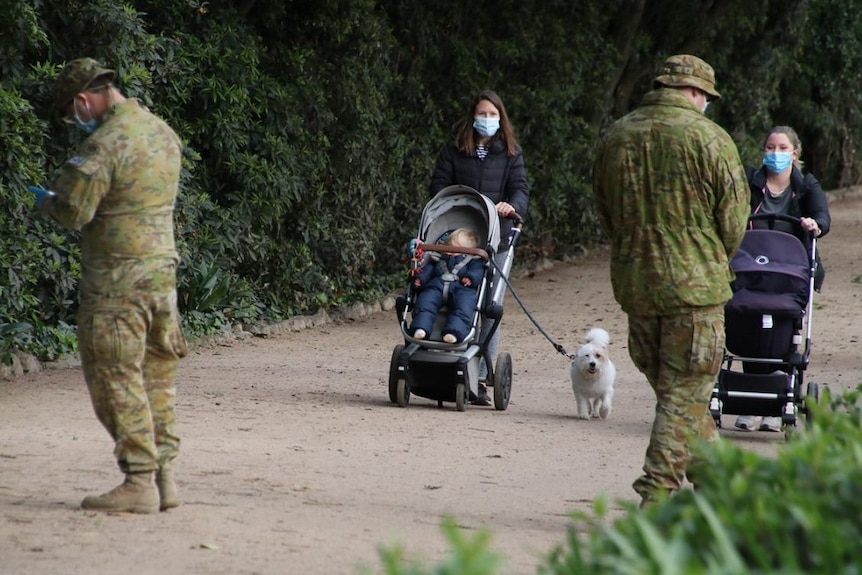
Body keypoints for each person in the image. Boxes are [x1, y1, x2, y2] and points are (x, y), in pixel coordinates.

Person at [28, 58, 188, 513]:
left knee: (115, 377)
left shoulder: (102, 146)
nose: (75, 120)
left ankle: (137, 481)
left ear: (83, 100)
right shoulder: (162, 133)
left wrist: (47, 203)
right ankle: (164, 479)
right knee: (157, 377)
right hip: (162, 279)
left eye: (71, 112)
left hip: (118, 283)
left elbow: (74, 212)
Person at [592, 54, 750, 507]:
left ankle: (720, 493)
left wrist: (637, 253)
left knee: (680, 397)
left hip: (637, 287)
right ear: (698, 94)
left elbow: (606, 214)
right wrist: (708, 260)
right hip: (695, 292)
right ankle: (655, 500)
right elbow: (734, 220)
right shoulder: (711, 139)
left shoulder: (615, 137)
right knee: (682, 398)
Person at [429, 89, 529, 405]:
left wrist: (510, 206)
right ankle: (443, 358)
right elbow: (438, 186)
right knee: (452, 293)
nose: (487, 119)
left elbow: (520, 189)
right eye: (482, 114)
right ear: (473, 117)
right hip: (460, 237)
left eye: (492, 115)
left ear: (501, 118)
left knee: (489, 306)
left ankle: (483, 374)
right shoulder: (456, 150)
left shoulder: (511, 154)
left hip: (497, 236)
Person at [734, 125, 831, 433]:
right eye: (770, 147)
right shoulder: (751, 182)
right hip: (752, 266)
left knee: (781, 330)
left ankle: (776, 406)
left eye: (782, 148)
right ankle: (750, 403)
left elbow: (822, 218)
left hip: (790, 271)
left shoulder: (806, 186)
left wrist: (814, 223)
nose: (775, 154)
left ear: (795, 152)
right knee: (749, 324)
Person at [409, 228, 485, 344]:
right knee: (425, 302)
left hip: (461, 288)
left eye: (455, 249)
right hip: (436, 286)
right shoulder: (437, 258)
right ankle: (421, 328)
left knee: (464, 307)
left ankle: (453, 332)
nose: (450, 251)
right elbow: (428, 270)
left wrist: (471, 278)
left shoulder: (473, 261)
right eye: (448, 246)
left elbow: (478, 272)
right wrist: (421, 279)